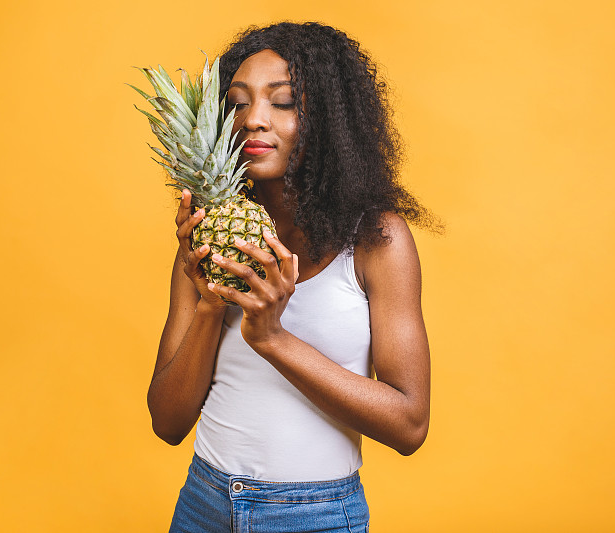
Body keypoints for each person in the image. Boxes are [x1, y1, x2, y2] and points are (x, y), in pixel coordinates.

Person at [147, 21, 437, 533]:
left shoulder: (376, 241)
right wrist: (213, 305)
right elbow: (167, 423)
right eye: (237, 102)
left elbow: (410, 425)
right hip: (203, 502)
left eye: (282, 102)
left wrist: (272, 338)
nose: (253, 119)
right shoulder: (209, 240)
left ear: (328, 118)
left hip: (316, 514)